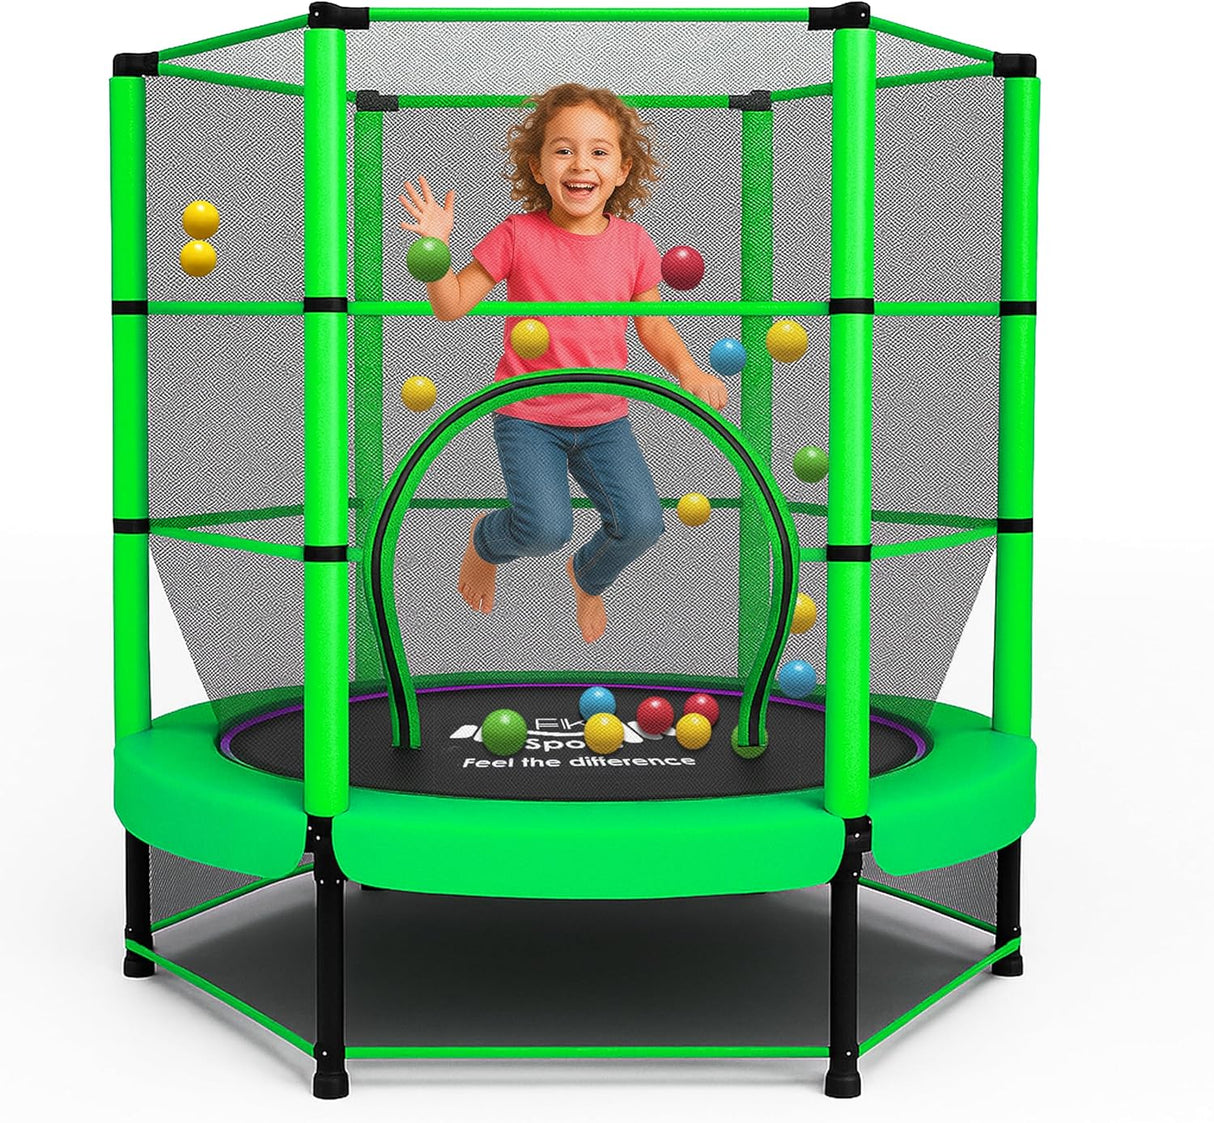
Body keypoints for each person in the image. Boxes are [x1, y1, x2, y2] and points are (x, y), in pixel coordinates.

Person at [400, 83, 726, 643]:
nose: (580, 164)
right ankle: (485, 540)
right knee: (544, 530)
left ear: (622, 170)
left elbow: (652, 327)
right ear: (538, 166)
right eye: (563, 150)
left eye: (599, 151)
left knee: (642, 525)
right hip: (528, 416)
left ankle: (588, 576)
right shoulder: (516, 235)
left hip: (605, 419)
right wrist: (435, 251)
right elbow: (451, 306)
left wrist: (689, 369)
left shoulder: (634, 243)